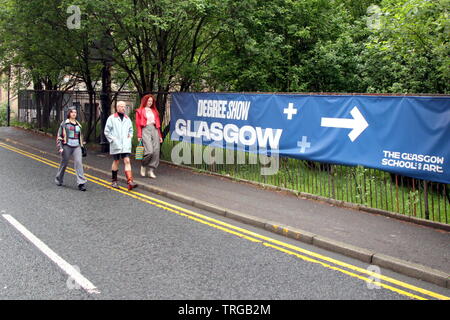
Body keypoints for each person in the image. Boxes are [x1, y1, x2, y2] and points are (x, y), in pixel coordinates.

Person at [104, 101, 138, 190]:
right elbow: (106, 131)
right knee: (116, 161)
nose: (123, 108)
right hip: (116, 144)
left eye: (124, 107)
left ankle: (130, 181)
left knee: (127, 160)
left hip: (125, 144)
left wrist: (130, 136)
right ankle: (114, 181)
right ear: (117, 107)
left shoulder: (127, 119)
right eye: (121, 106)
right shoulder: (111, 118)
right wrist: (113, 140)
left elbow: (131, 130)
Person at [55, 108, 87, 191]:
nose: (74, 113)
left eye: (75, 112)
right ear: (69, 113)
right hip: (67, 146)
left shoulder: (78, 125)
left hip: (77, 146)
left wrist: (82, 145)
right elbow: (59, 136)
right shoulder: (64, 124)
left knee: (79, 163)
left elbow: (81, 136)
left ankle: (81, 183)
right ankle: (59, 179)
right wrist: (60, 147)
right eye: (72, 112)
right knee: (64, 163)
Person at [135, 94, 163, 178]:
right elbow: (138, 124)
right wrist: (139, 135)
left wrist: (160, 136)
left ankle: (151, 170)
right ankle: (143, 165)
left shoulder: (155, 111)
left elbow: (157, 125)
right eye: (148, 101)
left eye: (151, 101)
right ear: (145, 101)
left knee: (156, 150)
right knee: (149, 151)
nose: (150, 102)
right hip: (145, 129)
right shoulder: (139, 111)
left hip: (154, 130)